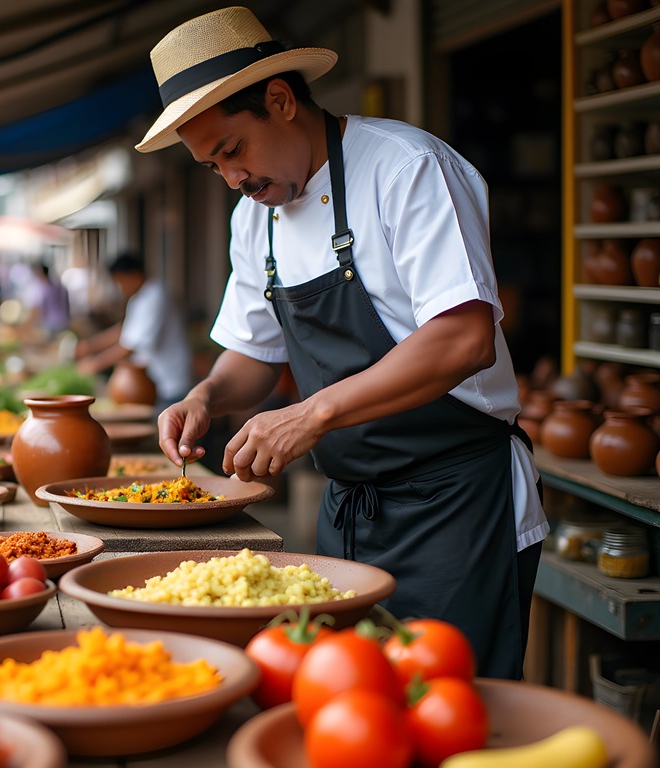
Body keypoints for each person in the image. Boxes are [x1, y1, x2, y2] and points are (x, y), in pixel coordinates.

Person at [140, 7, 547, 679]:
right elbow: (254, 354)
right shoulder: (256, 219)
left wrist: (313, 413)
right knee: (349, 709)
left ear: (280, 100)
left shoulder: (406, 168)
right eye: (213, 167)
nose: (233, 179)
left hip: (458, 510)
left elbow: (464, 339)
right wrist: (206, 396)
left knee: (450, 715)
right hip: (349, 515)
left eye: (234, 150)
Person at [75, 252, 193, 410]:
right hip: (153, 378)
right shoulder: (138, 298)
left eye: (120, 281)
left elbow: (131, 345)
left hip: (169, 378)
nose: (120, 287)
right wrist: (91, 346)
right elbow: (123, 331)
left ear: (133, 275)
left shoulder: (155, 296)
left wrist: (96, 364)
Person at [23, 262, 71, 337]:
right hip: (64, 322)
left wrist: (28, 326)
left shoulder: (42, 289)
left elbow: (37, 310)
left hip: (50, 324)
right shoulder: (59, 286)